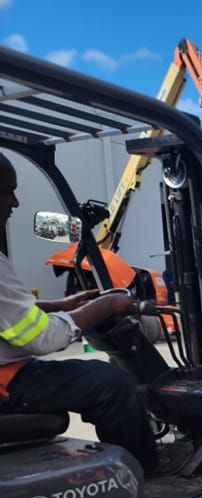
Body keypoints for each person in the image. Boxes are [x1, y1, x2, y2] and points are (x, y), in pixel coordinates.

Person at [0, 152, 163, 473]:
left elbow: (6, 314)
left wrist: (60, 306)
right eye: (7, 191)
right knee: (110, 381)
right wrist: (107, 304)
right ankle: (145, 474)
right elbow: (41, 338)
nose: (15, 203)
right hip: (7, 383)